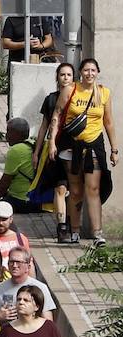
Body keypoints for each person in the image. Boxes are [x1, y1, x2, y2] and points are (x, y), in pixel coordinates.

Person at [51, 57, 115, 245]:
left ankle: (97, 233)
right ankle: (75, 230)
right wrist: (53, 142)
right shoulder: (71, 90)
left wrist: (114, 149)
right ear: (80, 72)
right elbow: (57, 114)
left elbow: (108, 122)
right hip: (72, 147)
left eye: (93, 70)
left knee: (93, 188)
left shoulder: (103, 93)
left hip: (94, 145)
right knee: (76, 190)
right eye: (86, 70)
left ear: (97, 72)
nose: (89, 74)